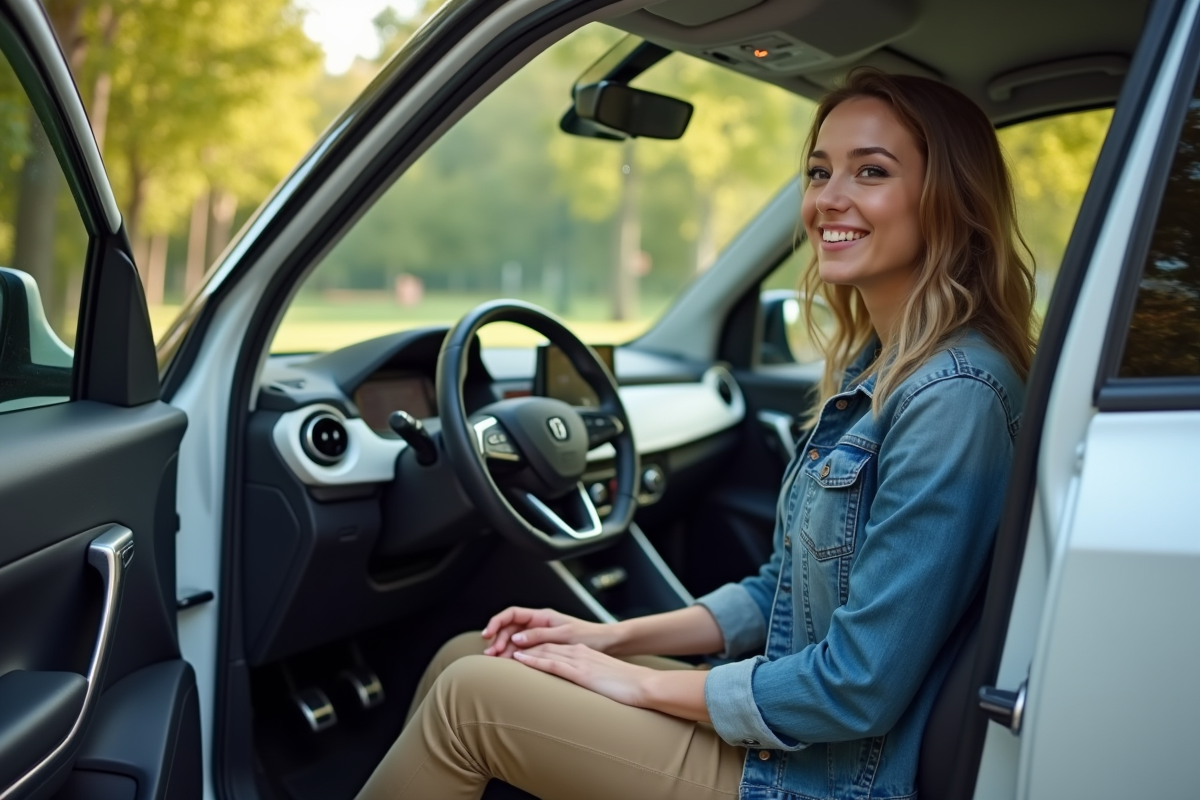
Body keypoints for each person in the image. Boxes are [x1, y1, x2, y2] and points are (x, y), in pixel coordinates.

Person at [355, 67, 1036, 800]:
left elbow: (858, 685)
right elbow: (781, 592)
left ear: (950, 203)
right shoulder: (887, 369)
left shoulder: (954, 395)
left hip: (825, 776)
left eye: (871, 171)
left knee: (471, 701)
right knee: (479, 653)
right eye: (818, 171)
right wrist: (608, 638)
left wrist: (632, 686)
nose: (828, 199)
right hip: (797, 741)